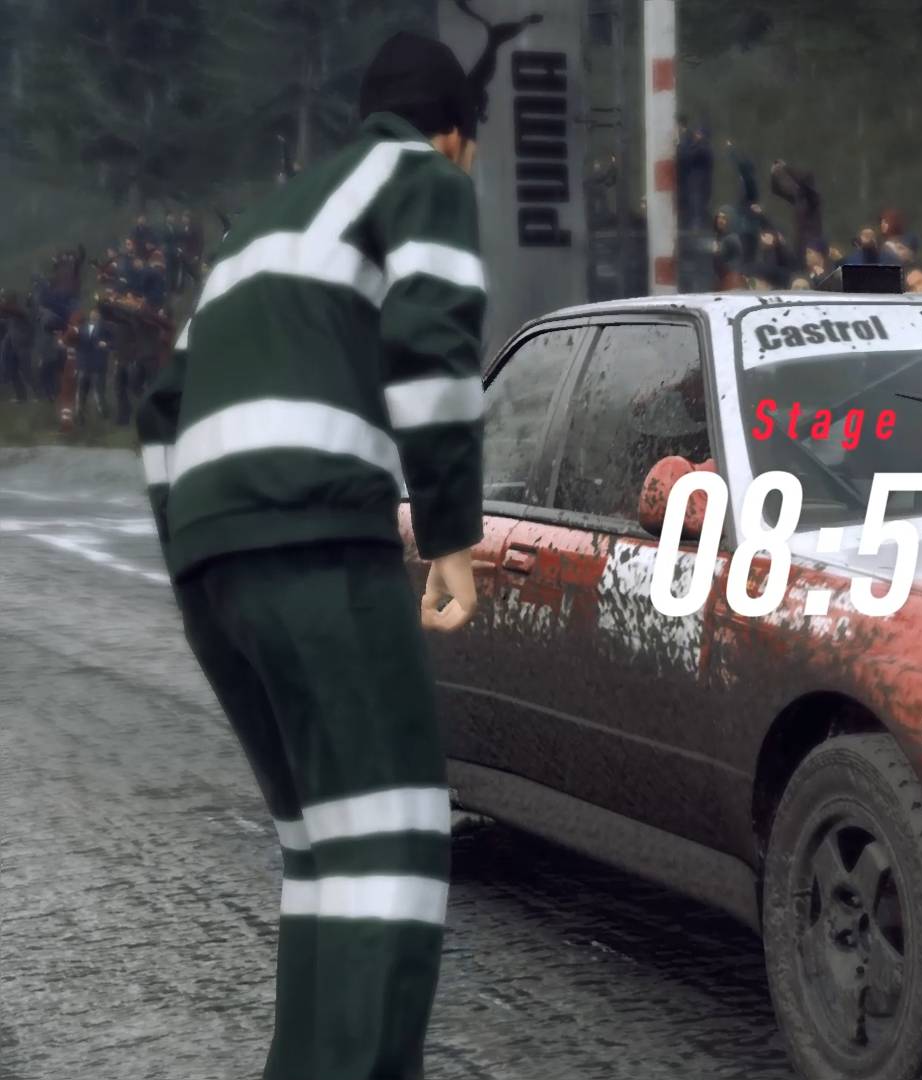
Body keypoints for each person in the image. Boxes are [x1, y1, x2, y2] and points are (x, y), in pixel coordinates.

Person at [134, 31, 487, 1080]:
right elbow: (433, 344)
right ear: (455, 137)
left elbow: (160, 411)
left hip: (217, 569)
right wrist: (451, 534)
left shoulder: (255, 232)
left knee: (322, 856)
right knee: (392, 846)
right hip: (322, 544)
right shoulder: (421, 177)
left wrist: (198, 558)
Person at [65, 303, 113, 425]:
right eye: (92, 312)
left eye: (96, 313)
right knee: (81, 392)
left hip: (98, 365)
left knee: (99, 392)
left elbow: (113, 341)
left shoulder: (106, 327)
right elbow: (75, 343)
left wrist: (106, 344)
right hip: (83, 365)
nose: (94, 314)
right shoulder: (81, 327)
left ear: (100, 315)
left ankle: (104, 414)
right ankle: (79, 416)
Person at [769, 159, 822, 256]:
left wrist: (785, 168)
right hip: (799, 242)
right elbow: (776, 191)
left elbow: (803, 180)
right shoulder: (798, 198)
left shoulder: (814, 199)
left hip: (812, 244)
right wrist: (774, 174)